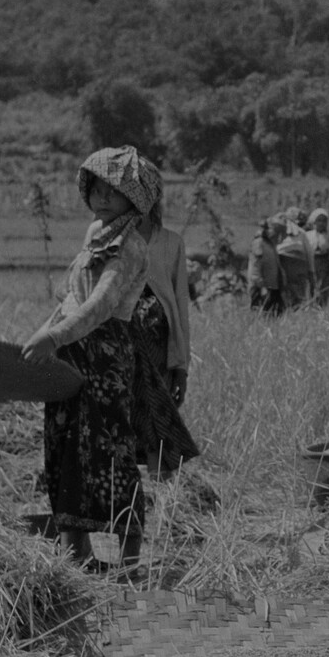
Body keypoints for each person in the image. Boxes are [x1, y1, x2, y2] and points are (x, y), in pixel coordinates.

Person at [23, 148, 158, 569]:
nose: (102, 198)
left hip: (105, 358)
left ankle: (130, 557)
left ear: (133, 200)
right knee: (65, 444)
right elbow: (70, 297)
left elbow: (101, 304)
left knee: (108, 449)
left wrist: (55, 335)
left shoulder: (131, 244)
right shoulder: (94, 234)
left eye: (113, 193)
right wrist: (45, 333)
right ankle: (76, 551)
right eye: (97, 189)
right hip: (72, 352)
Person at [124, 174, 199, 480]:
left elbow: (180, 304)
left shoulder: (171, 243)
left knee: (158, 418)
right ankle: (127, 497)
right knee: (124, 419)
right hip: (121, 344)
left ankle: (161, 495)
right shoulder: (111, 240)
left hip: (159, 345)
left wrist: (181, 365)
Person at [275, 209, 315, 306]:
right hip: (298, 264)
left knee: (284, 293)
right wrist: (311, 272)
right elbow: (309, 253)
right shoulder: (301, 233)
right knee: (298, 296)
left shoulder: (277, 231)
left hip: (282, 261)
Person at [248, 221, 285, 314]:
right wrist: (261, 287)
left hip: (273, 287)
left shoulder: (269, 244)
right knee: (261, 314)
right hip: (262, 288)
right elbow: (255, 268)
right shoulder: (259, 244)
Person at [306, 208, 329, 306]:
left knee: (325, 286)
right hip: (312, 262)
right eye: (319, 220)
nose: (321, 223)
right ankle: (312, 305)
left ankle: (325, 305)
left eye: (324, 221)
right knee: (312, 285)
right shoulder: (308, 235)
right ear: (314, 221)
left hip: (326, 264)